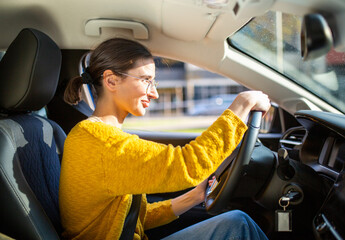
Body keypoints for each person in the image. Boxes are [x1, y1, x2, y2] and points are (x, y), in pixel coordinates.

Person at [59, 38, 270, 240]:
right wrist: (242, 104)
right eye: (146, 81)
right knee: (239, 224)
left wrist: (193, 197)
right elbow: (188, 165)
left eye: (154, 82)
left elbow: (135, 219)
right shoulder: (98, 141)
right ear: (111, 80)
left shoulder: (98, 137)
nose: (155, 93)